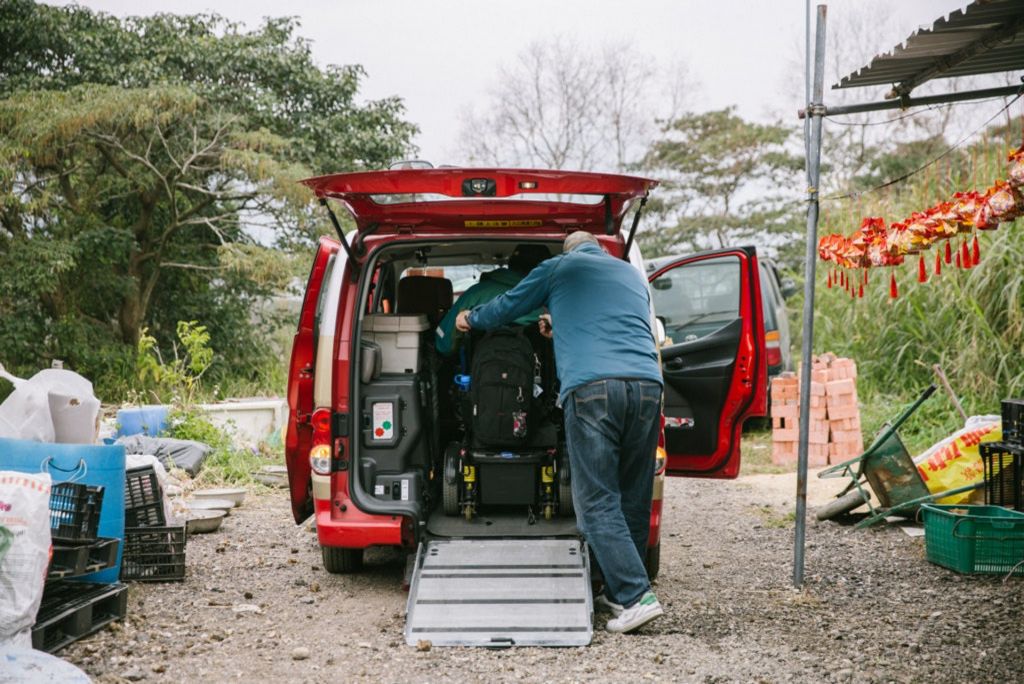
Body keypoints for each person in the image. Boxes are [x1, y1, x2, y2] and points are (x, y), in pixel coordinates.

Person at [456, 231, 664, 634]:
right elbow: (614, 321)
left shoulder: (558, 268)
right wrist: (557, 321)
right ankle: (619, 591)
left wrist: (470, 318)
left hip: (593, 388)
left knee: (597, 500)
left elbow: (508, 305)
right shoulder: (630, 275)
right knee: (632, 496)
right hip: (647, 385)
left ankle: (638, 596)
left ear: (568, 251)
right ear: (600, 250)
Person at [435, 244, 551, 357]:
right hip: (537, 374)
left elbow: (444, 346)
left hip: (482, 373)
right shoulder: (552, 300)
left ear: (511, 264)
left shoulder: (474, 294)